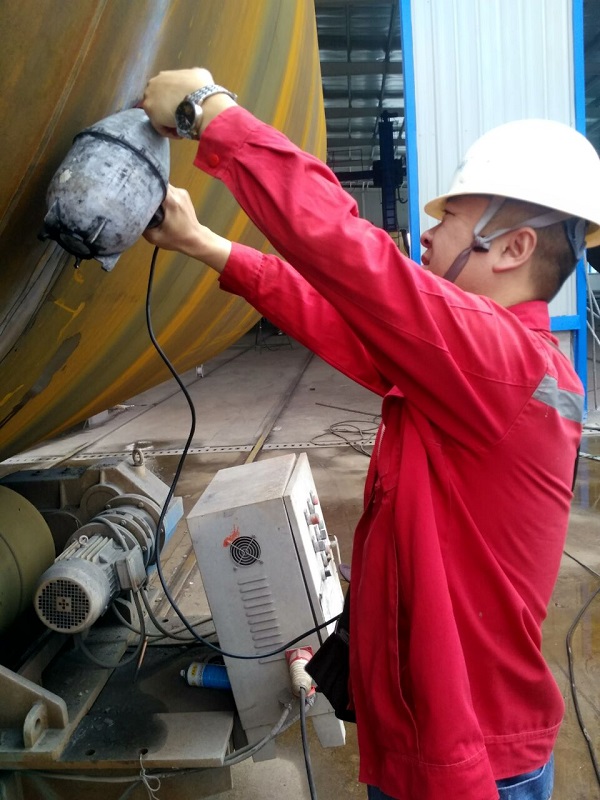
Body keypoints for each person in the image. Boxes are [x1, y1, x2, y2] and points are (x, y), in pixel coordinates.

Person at [141, 68, 600, 800]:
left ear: (512, 248)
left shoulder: (506, 367)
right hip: (427, 735)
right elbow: (334, 316)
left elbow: (351, 255)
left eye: (451, 217)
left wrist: (210, 111)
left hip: (470, 758)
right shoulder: (469, 373)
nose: (427, 231)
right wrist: (205, 244)